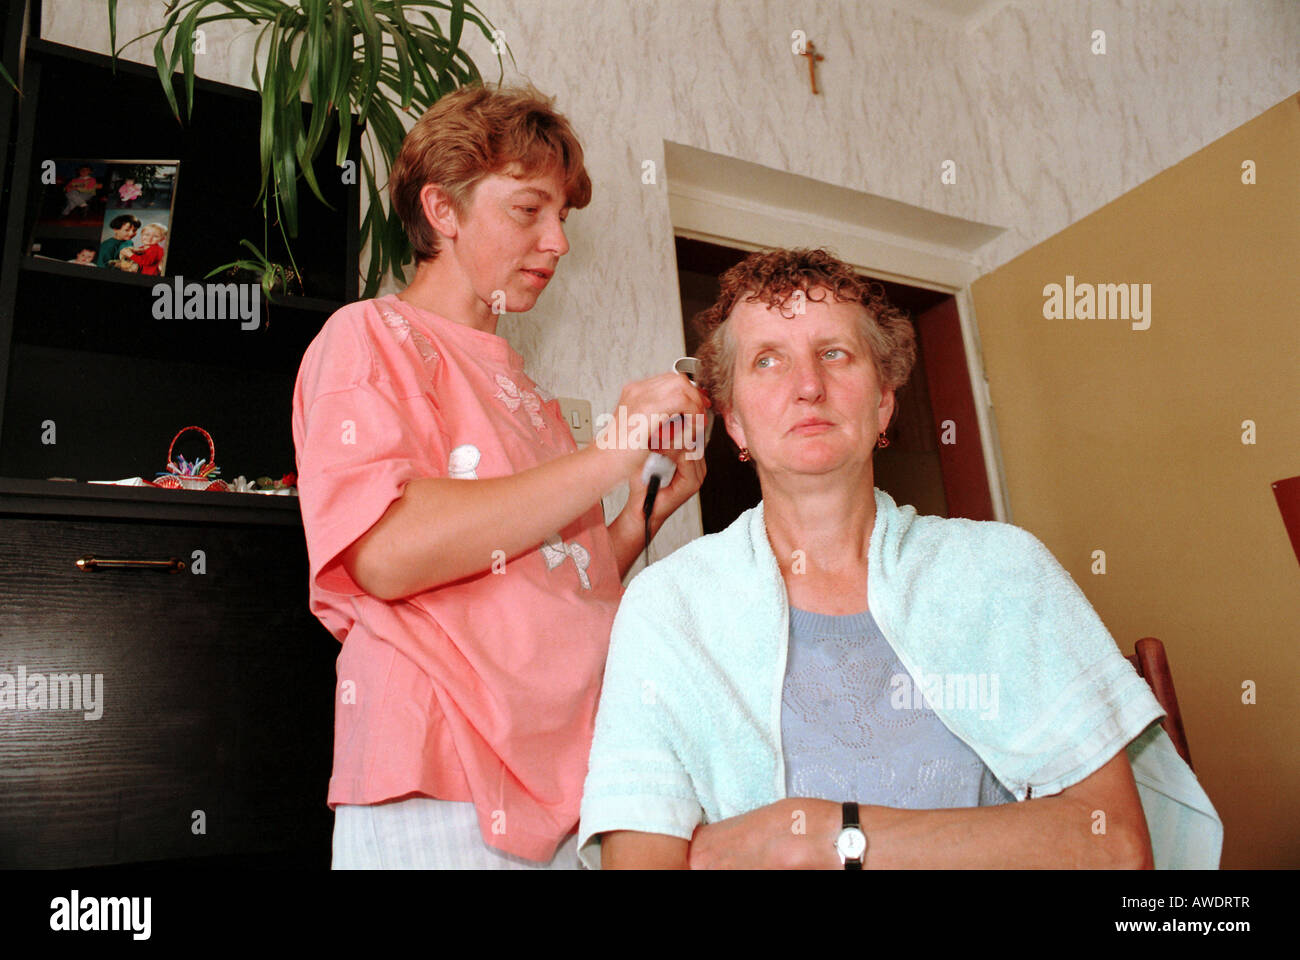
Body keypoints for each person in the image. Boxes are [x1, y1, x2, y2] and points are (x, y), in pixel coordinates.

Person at [578, 247, 1222, 869]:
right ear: (736, 424)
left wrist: (829, 836)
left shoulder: (1002, 570)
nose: (809, 385)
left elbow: (1113, 846)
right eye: (768, 361)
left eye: (835, 353)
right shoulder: (669, 608)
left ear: (884, 400)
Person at [291, 84, 707, 869]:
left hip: (574, 784)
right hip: (444, 777)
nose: (558, 242)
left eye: (563, 218)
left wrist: (639, 517)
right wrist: (610, 452)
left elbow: (556, 585)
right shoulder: (367, 337)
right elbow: (383, 551)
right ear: (443, 211)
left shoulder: (535, 399)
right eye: (528, 211)